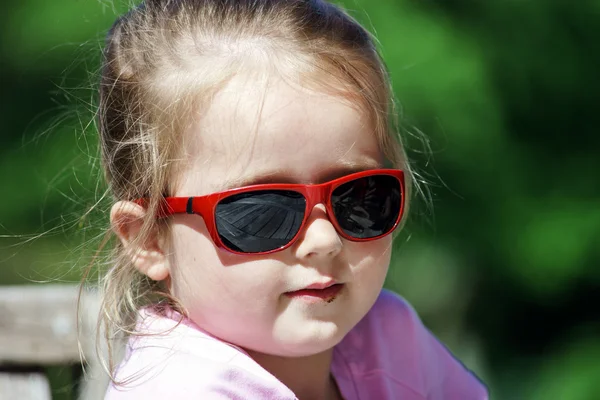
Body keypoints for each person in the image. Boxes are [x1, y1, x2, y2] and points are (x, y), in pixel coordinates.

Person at [94, 0, 488, 398]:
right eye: (262, 211)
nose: (324, 241)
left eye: (360, 197)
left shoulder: (389, 339)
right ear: (148, 238)